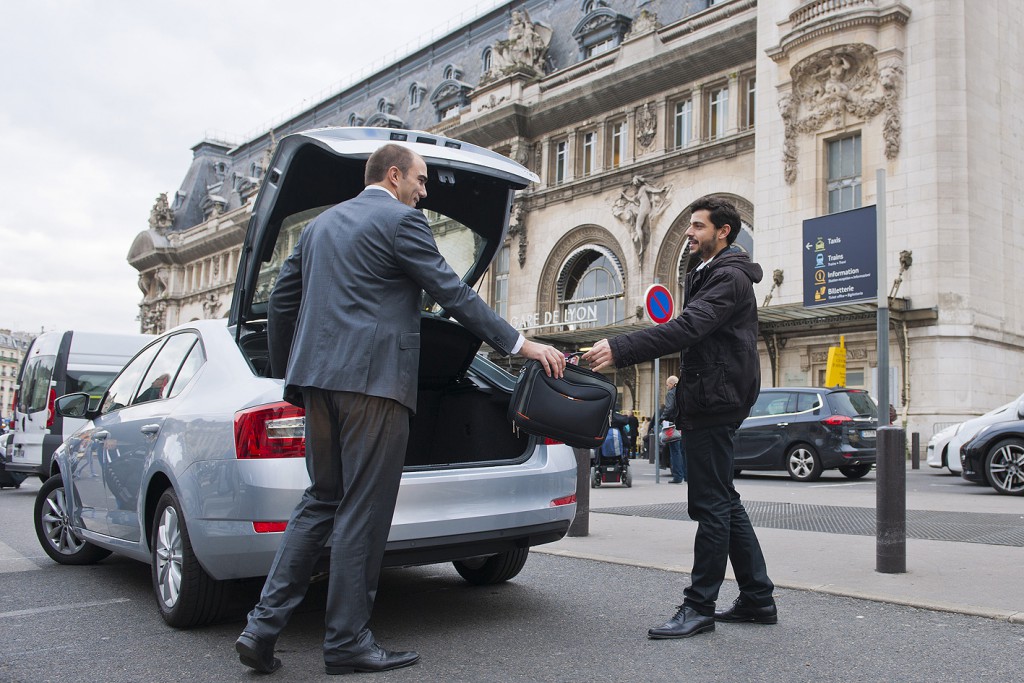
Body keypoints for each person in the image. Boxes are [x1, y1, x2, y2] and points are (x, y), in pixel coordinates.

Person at [235, 143, 566, 676]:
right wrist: (520, 344)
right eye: (422, 179)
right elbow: (453, 296)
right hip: (374, 385)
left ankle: (261, 628)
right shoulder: (401, 222)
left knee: (321, 500)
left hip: (317, 385)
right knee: (363, 511)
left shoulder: (320, 227)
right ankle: (346, 642)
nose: (425, 191)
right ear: (394, 176)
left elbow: (279, 300)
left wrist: (291, 371)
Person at [583, 196, 776, 640]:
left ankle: (698, 607)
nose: (689, 232)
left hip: (716, 399)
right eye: (690, 226)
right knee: (723, 499)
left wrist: (620, 347)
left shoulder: (727, 277)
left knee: (709, 505)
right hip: (710, 396)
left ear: (723, 231)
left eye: (698, 226)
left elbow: (688, 328)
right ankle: (757, 597)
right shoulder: (706, 270)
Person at [661, 376, 686, 484]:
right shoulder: (683, 391)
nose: (667, 387)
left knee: (675, 451)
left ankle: (677, 476)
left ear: (671, 384)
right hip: (684, 424)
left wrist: (663, 418)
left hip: (673, 425)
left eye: (667, 385)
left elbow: (669, 407)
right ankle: (687, 476)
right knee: (683, 451)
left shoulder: (671, 393)